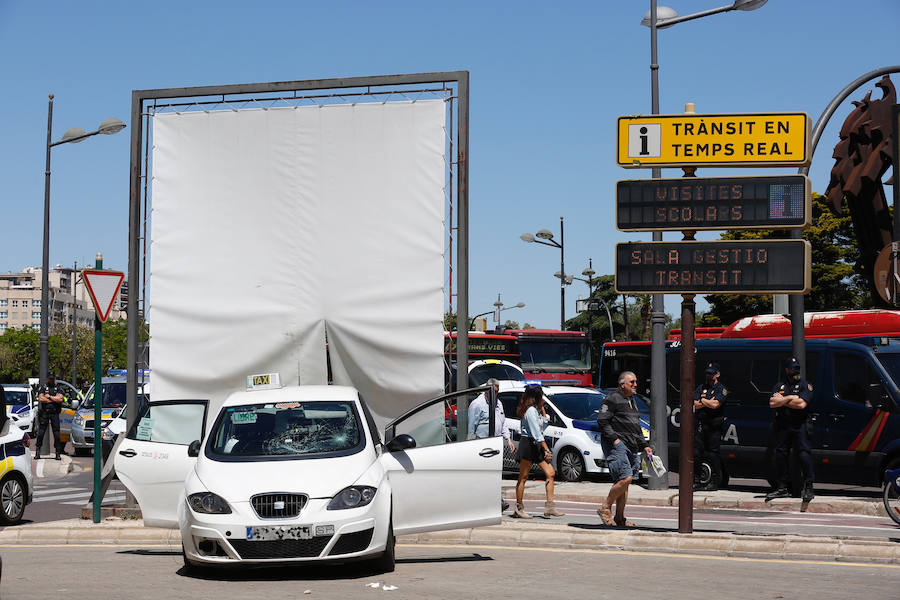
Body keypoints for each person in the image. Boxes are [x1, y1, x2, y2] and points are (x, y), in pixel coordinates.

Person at [596, 371, 653, 527]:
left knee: (625, 482)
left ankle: (620, 518)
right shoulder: (612, 398)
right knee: (625, 478)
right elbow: (602, 420)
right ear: (623, 384)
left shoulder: (631, 400)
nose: (636, 385)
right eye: (632, 382)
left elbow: (636, 427)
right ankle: (605, 507)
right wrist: (615, 440)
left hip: (631, 445)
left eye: (636, 381)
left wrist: (645, 446)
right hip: (617, 446)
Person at [766, 357, 815, 502]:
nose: (796, 371)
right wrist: (790, 398)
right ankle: (782, 487)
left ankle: (809, 487)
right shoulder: (779, 386)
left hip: (800, 425)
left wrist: (783, 400)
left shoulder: (806, 385)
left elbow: (801, 405)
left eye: (798, 368)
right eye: (793, 368)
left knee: (804, 455)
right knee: (780, 455)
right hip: (783, 425)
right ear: (787, 370)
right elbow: (772, 403)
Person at [512, 385, 564, 519]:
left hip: (536, 445)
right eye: (542, 396)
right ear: (536, 397)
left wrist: (543, 411)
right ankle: (519, 508)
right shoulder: (530, 411)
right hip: (528, 444)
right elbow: (536, 434)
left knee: (550, 473)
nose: (544, 399)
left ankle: (550, 507)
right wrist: (546, 449)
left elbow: (543, 426)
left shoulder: (536, 411)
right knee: (523, 477)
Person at [467, 378, 516, 511]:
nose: (496, 394)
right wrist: (470, 447)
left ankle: (492, 501)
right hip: (482, 445)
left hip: (496, 445)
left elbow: (503, 421)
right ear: (487, 391)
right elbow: (471, 427)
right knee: (485, 475)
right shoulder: (477, 404)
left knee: (493, 475)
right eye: (494, 391)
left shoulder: (498, 403)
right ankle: (496, 501)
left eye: (497, 391)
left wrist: (508, 439)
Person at [693, 362, 727, 491]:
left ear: (717, 374)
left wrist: (702, 401)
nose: (709, 375)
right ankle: (697, 480)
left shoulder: (721, 389)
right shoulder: (701, 387)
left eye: (712, 373)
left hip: (714, 426)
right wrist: (707, 401)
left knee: (713, 454)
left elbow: (715, 405)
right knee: (696, 453)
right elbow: (694, 404)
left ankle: (715, 481)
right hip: (702, 425)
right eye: (708, 373)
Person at [35, 374, 65, 460]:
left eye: (53, 379)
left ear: (54, 379)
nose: (51, 380)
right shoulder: (43, 387)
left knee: (57, 434)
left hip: (54, 413)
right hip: (45, 413)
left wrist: (49, 397)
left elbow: (60, 399)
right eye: (50, 379)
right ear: (47, 379)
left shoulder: (58, 388)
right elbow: (41, 398)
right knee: (41, 433)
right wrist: (54, 399)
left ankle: (57, 453)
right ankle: (37, 451)